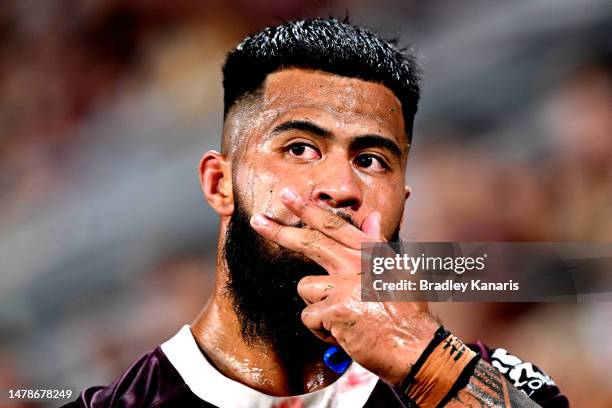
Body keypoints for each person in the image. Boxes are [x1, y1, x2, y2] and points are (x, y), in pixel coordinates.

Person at [65, 18, 568, 407]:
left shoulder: (483, 379)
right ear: (220, 183)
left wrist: (426, 361)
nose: (341, 187)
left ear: (404, 201)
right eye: (301, 148)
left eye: (371, 160)